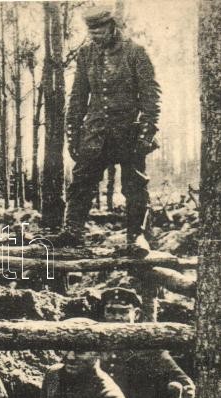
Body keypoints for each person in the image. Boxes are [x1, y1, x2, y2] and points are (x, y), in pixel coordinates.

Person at [57, 6, 161, 256]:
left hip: (129, 133)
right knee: (81, 181)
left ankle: (136, 237)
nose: (95, 37)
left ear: (112, 27)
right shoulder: (86, 54)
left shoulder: (135, 52)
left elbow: (151, 97)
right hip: (95, 133)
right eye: (91, 32)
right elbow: (78, 97)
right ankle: (72, 232)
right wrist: (73, 134)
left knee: (135, 186)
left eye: (100, 31)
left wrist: (146, 133)